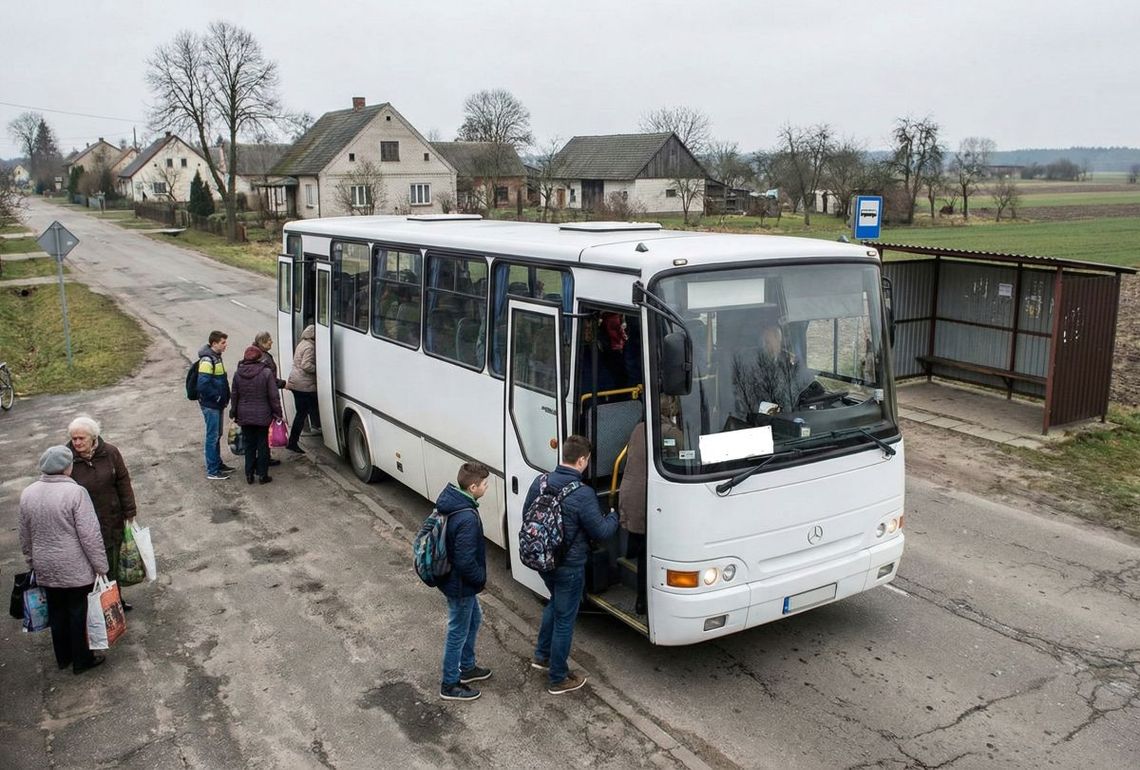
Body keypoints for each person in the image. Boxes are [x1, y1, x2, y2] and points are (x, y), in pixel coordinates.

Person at [525, 435, 618, 695]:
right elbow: (600, 532)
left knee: (556, 604)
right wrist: (614, 516)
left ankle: (541, 656)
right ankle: (558, 677)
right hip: (569, 565)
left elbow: (527, 517)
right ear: (581, 460)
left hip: (542, 560)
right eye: (586, 461)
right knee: (565, 618)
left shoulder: (540, 482)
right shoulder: (583, 493)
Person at [19, 445, 109, 675]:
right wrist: (101, 566)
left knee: (56, 611)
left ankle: (63, 657)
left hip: (45, 566)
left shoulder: (28, 493)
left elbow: (24, 534)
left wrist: (31, 561)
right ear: (67, 468)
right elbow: (90, 534)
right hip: (75, 566)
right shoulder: (76, 493)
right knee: (78, 612)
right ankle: (82, 660)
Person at [618, 397, 684, 615]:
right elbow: (685, 458)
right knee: (648, 552)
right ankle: (642, 601)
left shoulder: (640, 427)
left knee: (638, 541)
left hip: (630, 494)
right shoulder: (670, 433)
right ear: (673, 409)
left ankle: (629, 558)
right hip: (647, 500)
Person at [67, 416, 138, 612]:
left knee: (112, 563)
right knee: (88, 567)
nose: (77, 443)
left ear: (93, 437)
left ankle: (115, 602)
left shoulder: (110, 453)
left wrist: (129, 510)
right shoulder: (67, 459)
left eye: (81, 438)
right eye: (74, 439)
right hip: (82, 525)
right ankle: (93, 607)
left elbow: (123, 480)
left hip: (110, 518)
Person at [436, 462, 491, 702]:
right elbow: (465, 560)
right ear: (473, 486)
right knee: (457, 631)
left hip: (453, 581)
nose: (487, 488)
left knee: (474, 619)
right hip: (460, 585)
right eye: (485, 484)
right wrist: (481, 580)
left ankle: (467, 667)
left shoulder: (454, 502)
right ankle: (449, 684)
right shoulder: (467, 517)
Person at [731, 324, 813, 418]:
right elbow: (754, 403)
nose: (770, 345)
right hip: (767, 420)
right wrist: (779, 412)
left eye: (775, 340)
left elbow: (805, 384)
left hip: (793, 414)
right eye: (767, 342)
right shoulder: (754, 367)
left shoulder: (789, 361)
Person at [230, 345, 283, 484]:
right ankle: (262, 475)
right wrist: (278, 412)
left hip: (244, 414)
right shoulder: (266, 373)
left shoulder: (238, 373)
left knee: (249, 445)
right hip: (263, 415)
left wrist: (233, 412)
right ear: (259, 357)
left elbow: (234, 395)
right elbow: (273, 396)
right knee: (263, 444)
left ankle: (249, 474)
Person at [197, 331, 233, 480]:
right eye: (223, 343)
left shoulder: (216, 357)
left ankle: (218, 463)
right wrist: (218, 397)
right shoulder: (207, 360)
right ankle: (212, 470)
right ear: (214, 344)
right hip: (211, 405)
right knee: (212, 437)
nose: (226, 345)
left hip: (217, 404)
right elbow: (203, 385)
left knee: (217, 435)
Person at [285, 325, 320, 453]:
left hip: (296, 382)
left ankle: (314, 426)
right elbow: (306, 365)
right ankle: (293, 442)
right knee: (301, 414)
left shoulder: (302, 343)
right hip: (303, 385)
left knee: (306, 409)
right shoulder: (310, 346)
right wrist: (318, 370)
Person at [253, 331, 285, 468]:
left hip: (256, 400)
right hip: (264, 400)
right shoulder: (263, 358)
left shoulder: (256, 354)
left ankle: (261, 457)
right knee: (263, 431)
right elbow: (269, 381)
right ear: (261, 342)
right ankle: (263, 459)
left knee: (258, 432)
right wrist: (283, 384)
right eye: (269, 340)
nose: (271, 342)